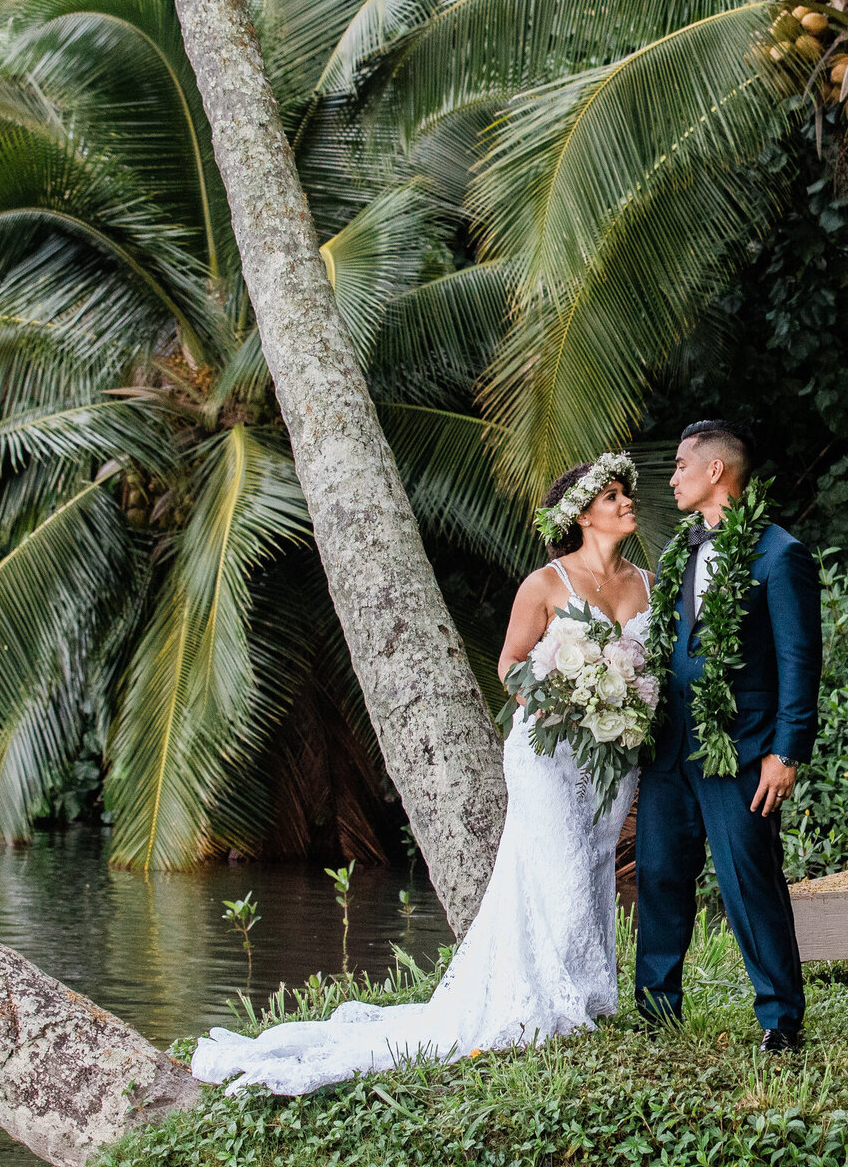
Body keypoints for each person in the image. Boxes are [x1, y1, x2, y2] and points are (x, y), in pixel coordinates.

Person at [186, 457, 651, 1096]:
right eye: (614, 495)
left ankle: (589, 996)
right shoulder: (544, 586)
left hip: (610, 755)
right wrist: (565, 693)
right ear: (582, 515)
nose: (627, 502)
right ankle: (550, 1009)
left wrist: (626, 701)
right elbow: (511, 667)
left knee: (594, 864)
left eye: (626, 493)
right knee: (558, 864)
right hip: (547, 753)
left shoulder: (646, 585)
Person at [635, 419, 822, 1054]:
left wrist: (786, 751)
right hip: (670, 750)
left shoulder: (779, 554)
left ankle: (780, 1019)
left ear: (716, 472)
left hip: (742, 750)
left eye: (681, 467)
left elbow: (800, 662)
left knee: (749, 881)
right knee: (659, 874)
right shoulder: (680, 550)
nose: (673, 478)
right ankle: (656, 1009)